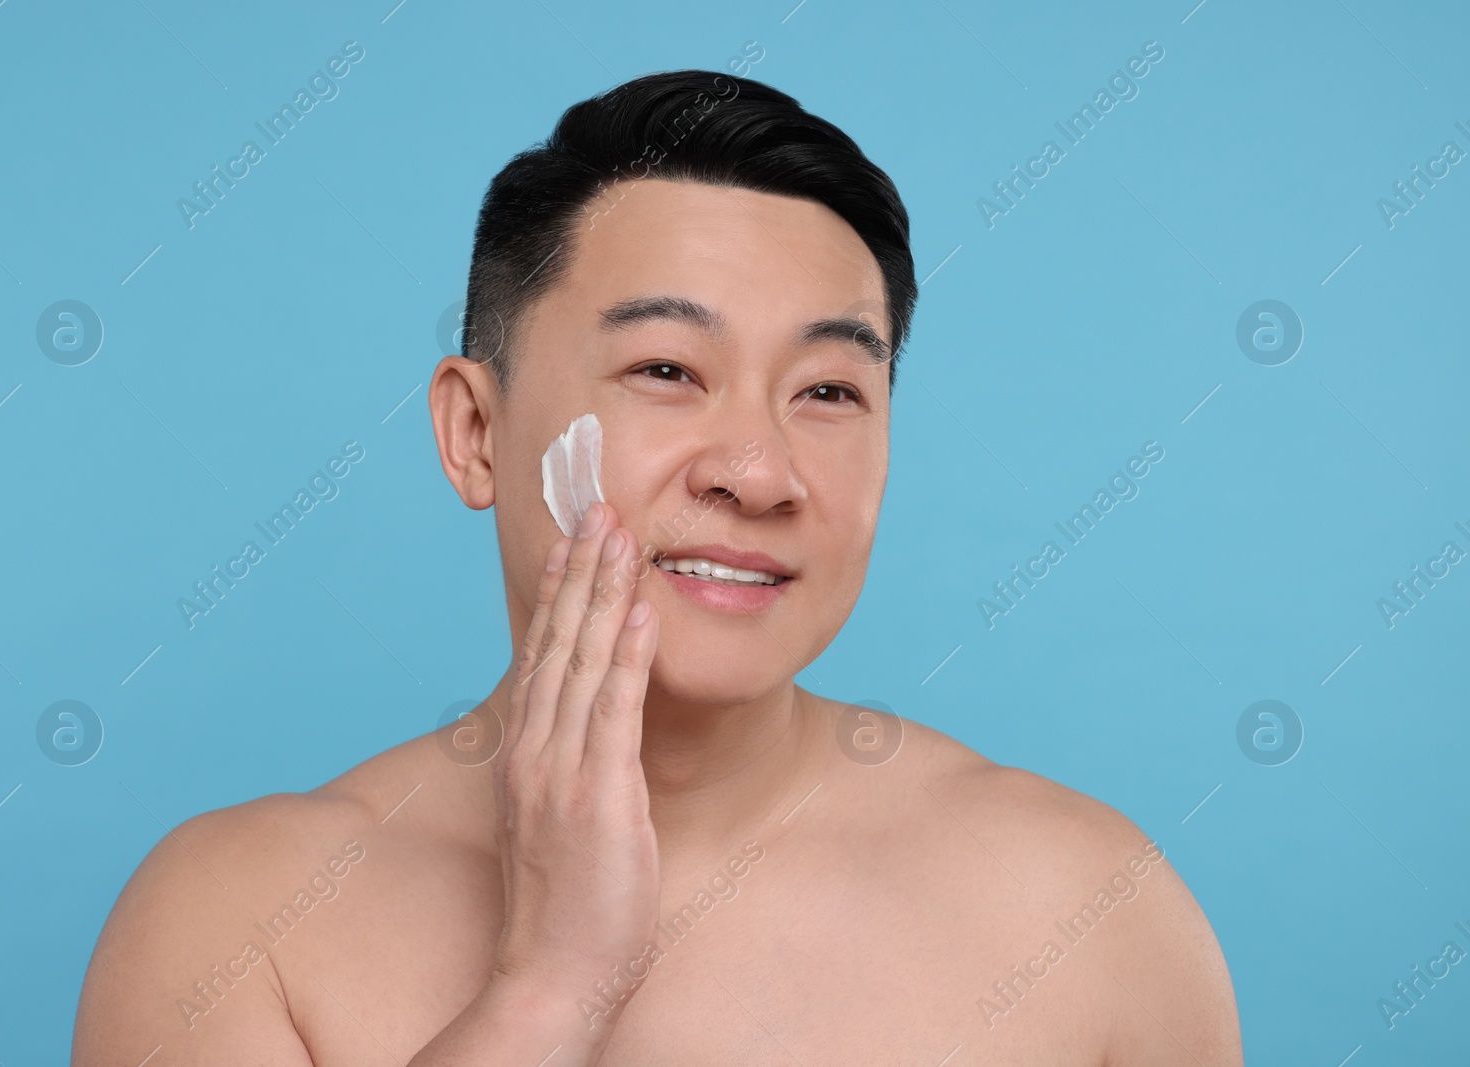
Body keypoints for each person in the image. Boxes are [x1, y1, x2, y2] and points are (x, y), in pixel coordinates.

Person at [72, 69, 1243, 1066]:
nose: (758, 469)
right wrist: (544, 989)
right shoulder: (236, 921)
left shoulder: (1092, 908)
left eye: (829, 389)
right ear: (475, 432)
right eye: (668, 370)